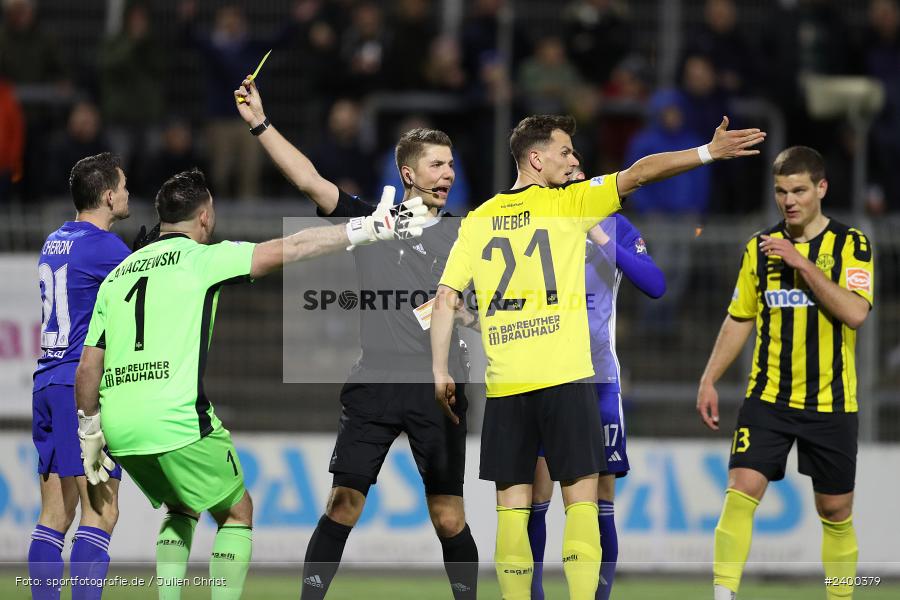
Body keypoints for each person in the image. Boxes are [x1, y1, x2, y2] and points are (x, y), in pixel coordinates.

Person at [431, 113, 764, 599]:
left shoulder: (478, 219)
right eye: (566, 151)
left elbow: (445, 298)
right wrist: (706, 153)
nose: (573, 159)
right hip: (568, 378)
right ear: (537, 158)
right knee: (582, 502)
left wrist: (440, 369)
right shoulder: (573, 203)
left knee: (512, 508)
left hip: (506, 384)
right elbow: (641, 172)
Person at [74, 168, 427, 599]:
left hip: (120, 428)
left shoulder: (118, 275)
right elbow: (294, 247)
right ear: (204, 217)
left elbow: (88, 368)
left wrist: (90, 431)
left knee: (182, 505)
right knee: (237, 513)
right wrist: (367, 228)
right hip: (176, 421)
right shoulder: (204, 258)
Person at [233, 77, 480, 599]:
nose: (449, 174)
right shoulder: (373, 220)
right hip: (374, 381)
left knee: (448, 517)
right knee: (343, 501)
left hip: (439, 387)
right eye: (437, 165)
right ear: (408, 173)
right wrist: (259, 122)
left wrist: (463, 315)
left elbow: (480, 312)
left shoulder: (463, 233)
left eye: (452, 165)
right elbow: (308, 180)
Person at [697, 146, 874, 600]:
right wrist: (710, 378)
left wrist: (802, 264)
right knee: (741, 488)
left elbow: (855, 313)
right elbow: (741, 317)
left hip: (832, 401)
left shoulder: (852, 244)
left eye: (798, 190)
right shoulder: (759, 247)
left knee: (835, 511)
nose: (789, 200)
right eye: (780, 191)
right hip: (769, 397)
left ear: (821, 189)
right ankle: (723, 595)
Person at [527, 155, 666, 600]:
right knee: (535, 490)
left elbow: (654, 284)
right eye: (565, 174)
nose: (573, 179)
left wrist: (598, 233)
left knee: (600, 493)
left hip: (598, 379)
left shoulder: (615, 227)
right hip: (543, 375)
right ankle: (531, 594)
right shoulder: (534, 225)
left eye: (579, 175)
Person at [29, 152, 131, 600]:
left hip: (47, 382)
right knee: (100, 514)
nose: (128, 193)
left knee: (55, 513)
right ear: (109, 196)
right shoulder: (106, 247)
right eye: (124, 187)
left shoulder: (54, 240)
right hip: (81, 389)